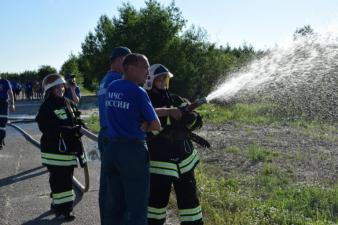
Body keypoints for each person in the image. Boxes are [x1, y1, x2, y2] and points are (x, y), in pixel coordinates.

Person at [99, 53, 161, 225]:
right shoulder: (138, 92)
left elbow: (124, 112)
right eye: (145, 68)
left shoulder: (112, 87)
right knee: (137, 207)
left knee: (115, 205)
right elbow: (156, 124)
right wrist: (147, 125)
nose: (148, 74)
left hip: (111, 151)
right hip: (132, 153)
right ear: (131, 68)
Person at [144, 64, 204, 225]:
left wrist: (192, 118)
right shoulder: (146, 100)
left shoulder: (175, 98)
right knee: (156, 203)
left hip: (184, 160)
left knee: (190, 202)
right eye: (160, 79)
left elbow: (197, 120)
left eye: (166, 78)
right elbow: (149, 126)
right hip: (160, 162)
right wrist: (170, 119)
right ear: (150, 81)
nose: (164, 82)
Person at [35, 73, 86, 220]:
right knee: (59, 180)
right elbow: (47, 128)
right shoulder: (47, 107)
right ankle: (63, 210)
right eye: (56, 87)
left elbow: (76, 116)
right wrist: (67, 130)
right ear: (50, 90)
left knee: (66, 179)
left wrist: (80, 125)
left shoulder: (68, 102)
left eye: (61, 86)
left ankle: (58, 204)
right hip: (54, 151)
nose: (60, 89)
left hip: (68, 151)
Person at [97, 46, 131, 156]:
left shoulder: (105, 79)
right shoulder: (119, 79)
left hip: (105, 132)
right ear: (120, 60)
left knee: (108, 171)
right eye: (128, 61)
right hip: (117, 135)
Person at [0, 76, 15, 150]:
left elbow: (10, 93)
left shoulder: (5, 82)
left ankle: (1, 139)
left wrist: (12, 104)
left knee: (2, 123)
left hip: (3, 104)